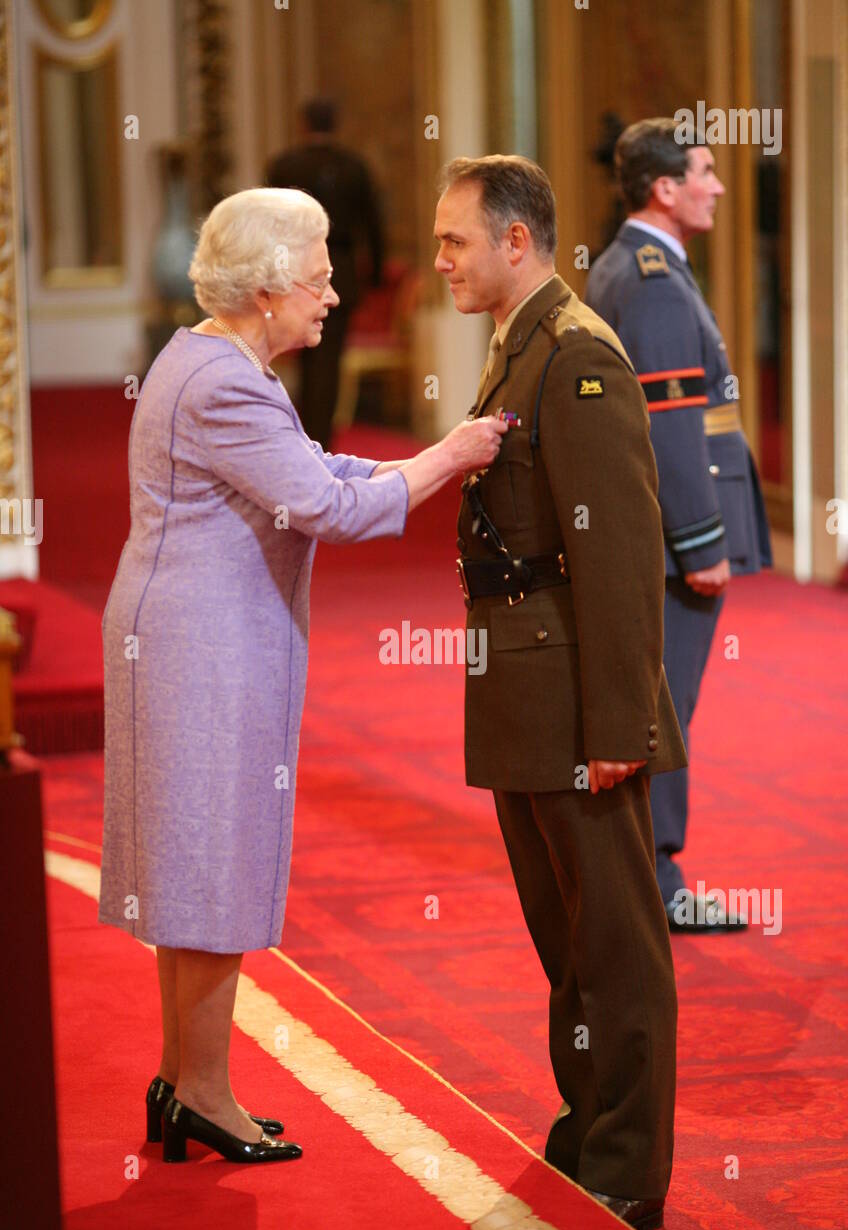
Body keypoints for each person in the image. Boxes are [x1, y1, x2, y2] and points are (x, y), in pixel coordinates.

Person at [97, 186, 506, 1166]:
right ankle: (200, 1089)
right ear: (271, 286)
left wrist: (405, 463)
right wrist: (449, 455)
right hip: (201, 647)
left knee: (194, 868)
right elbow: (330, 507)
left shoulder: (205, 358)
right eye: (320, 279)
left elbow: (312, 468)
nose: (333, 296)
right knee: (211, 866)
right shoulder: (226, 382)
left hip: (187, 635)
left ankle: (184, 1083)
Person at [434, 155, 687, 1230]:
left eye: (454, 239)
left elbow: (624, 560)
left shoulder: (577, 357)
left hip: (576, 701)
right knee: (563, 937)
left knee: (616, 945)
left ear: (515, 243)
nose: (439, 257)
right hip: (523, 692)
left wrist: (619, 725)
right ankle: (587, 1123)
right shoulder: (519, 344)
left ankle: (628, 1160)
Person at [584, 118, 772, 934]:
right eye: (705, 172)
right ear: (665, 188)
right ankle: (657, 882)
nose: (718, 186)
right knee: (664, 712)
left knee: (651, 706)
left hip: (651, 536)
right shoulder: (654, 277)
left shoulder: (627, 263)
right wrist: (702, 543)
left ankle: (640, 877)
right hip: (673, 542)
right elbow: (671, 425)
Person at [265, 98, 384, 450]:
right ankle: (322, 440)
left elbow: (268, 222)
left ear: (303, 124)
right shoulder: (355, 167)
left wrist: (272, 272)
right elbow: (374, 225)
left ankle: (300, 434)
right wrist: (374, 275)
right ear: (336, 124)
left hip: (294, 270)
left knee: (304, 354)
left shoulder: (285, 166)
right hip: (342, 271)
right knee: (330, 359)